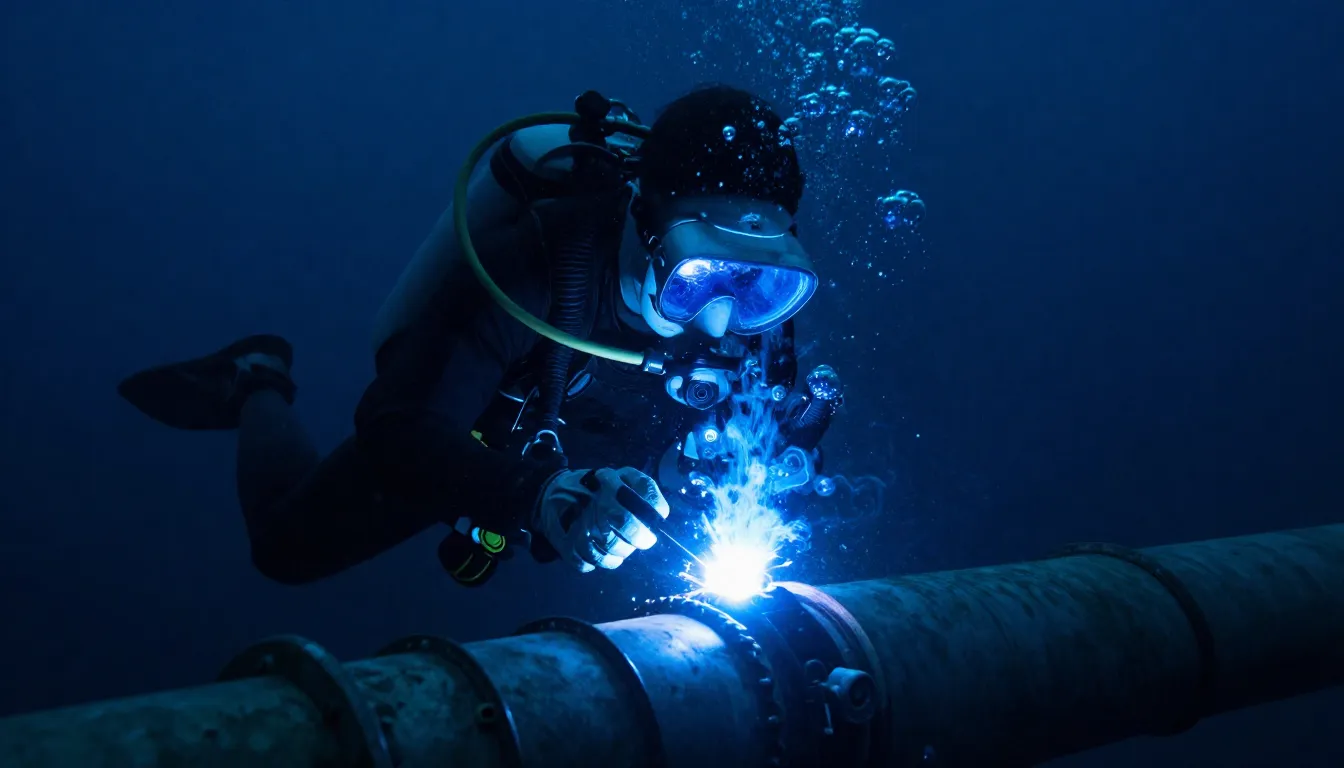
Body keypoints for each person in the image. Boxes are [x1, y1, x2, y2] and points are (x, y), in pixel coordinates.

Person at [118, 85, 842, 586]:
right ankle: (257, 376)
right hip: (494, 428)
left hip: (594, 446)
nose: (720, 320)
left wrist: (780, 467)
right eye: (697, 275)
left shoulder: (756, 316)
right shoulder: (538, 266)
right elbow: (395, 425)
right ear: (647, 221)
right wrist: (537, 495)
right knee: (286, 550)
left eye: (759, 284)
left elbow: (761, 436)